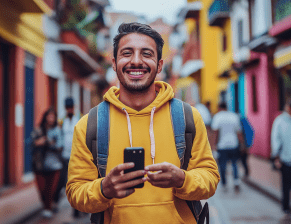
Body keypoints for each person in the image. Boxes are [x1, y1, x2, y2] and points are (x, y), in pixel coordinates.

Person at [66, 22, 219, 224]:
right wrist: (104, 189)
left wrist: (183, 180)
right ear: (114, 63)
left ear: (160, 65)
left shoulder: (187, 117)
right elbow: (75, 192)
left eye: (146, 54)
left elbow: (210, 178)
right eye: (127, 53)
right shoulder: (90, 125)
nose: (136, 61)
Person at [31, 107, 63, 219]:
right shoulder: (38, 129)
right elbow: (32, 142)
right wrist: (39, 142)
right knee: (41, 189)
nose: (51, 118)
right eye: (49, 116)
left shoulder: (57, 130)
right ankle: (46, 207)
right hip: (39, 165)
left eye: (53, 116)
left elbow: (59, 146)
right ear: (45, 117)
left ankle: (48, 208)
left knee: (51, 189)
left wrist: (48, 142)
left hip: (54, 165)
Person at [53, 97, 81, 217]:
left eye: (71, 107)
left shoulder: (79, 118)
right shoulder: (62, 121)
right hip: (64, 157)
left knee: (76, 182)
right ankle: (54, 203)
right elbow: (59, 136)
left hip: (76, 156)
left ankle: (76, 209)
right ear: (66, 108)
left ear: (73, 107)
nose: (69, 109)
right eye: (67, 108)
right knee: (61, 181)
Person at [211, 102, 245, 191]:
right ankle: (236, 181)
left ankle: (224, 184)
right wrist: (242, 144)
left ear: (219, 108)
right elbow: (239, 132)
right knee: (234, 163)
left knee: (222, 165)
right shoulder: (234, 116)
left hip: (222, 145)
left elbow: (215, 133)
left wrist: (213, 145)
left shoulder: (217, 117)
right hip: (234, 144)